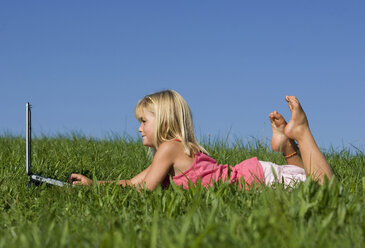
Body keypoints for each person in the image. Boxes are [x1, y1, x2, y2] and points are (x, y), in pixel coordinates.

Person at [70, 90, 334, 190]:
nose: (139, 128)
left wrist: (96, 188)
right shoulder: (174, 149)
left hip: (254, 179)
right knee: (302, 176)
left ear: (163, 120)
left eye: (144, 121)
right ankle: (287, 146)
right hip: (254, 174)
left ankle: (300, 132)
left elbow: (144, 188)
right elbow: (133, 182)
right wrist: (94, 184)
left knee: (327, 190)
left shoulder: (169, 148)